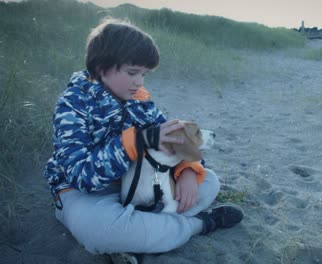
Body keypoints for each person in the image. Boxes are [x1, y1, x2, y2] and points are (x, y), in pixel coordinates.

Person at [43, 17, 243, 259]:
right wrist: (136, 142)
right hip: (86, 195)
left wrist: (189, 170)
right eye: (132, 72)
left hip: (141, 185)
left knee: (208, 181)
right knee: (97, 231)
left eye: (144, 74)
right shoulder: (73, 103)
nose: (139, 82)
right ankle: (200, 224)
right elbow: (80, 176)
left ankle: (143, 232)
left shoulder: (140, 99)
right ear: (101, 67)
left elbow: (174, 139)